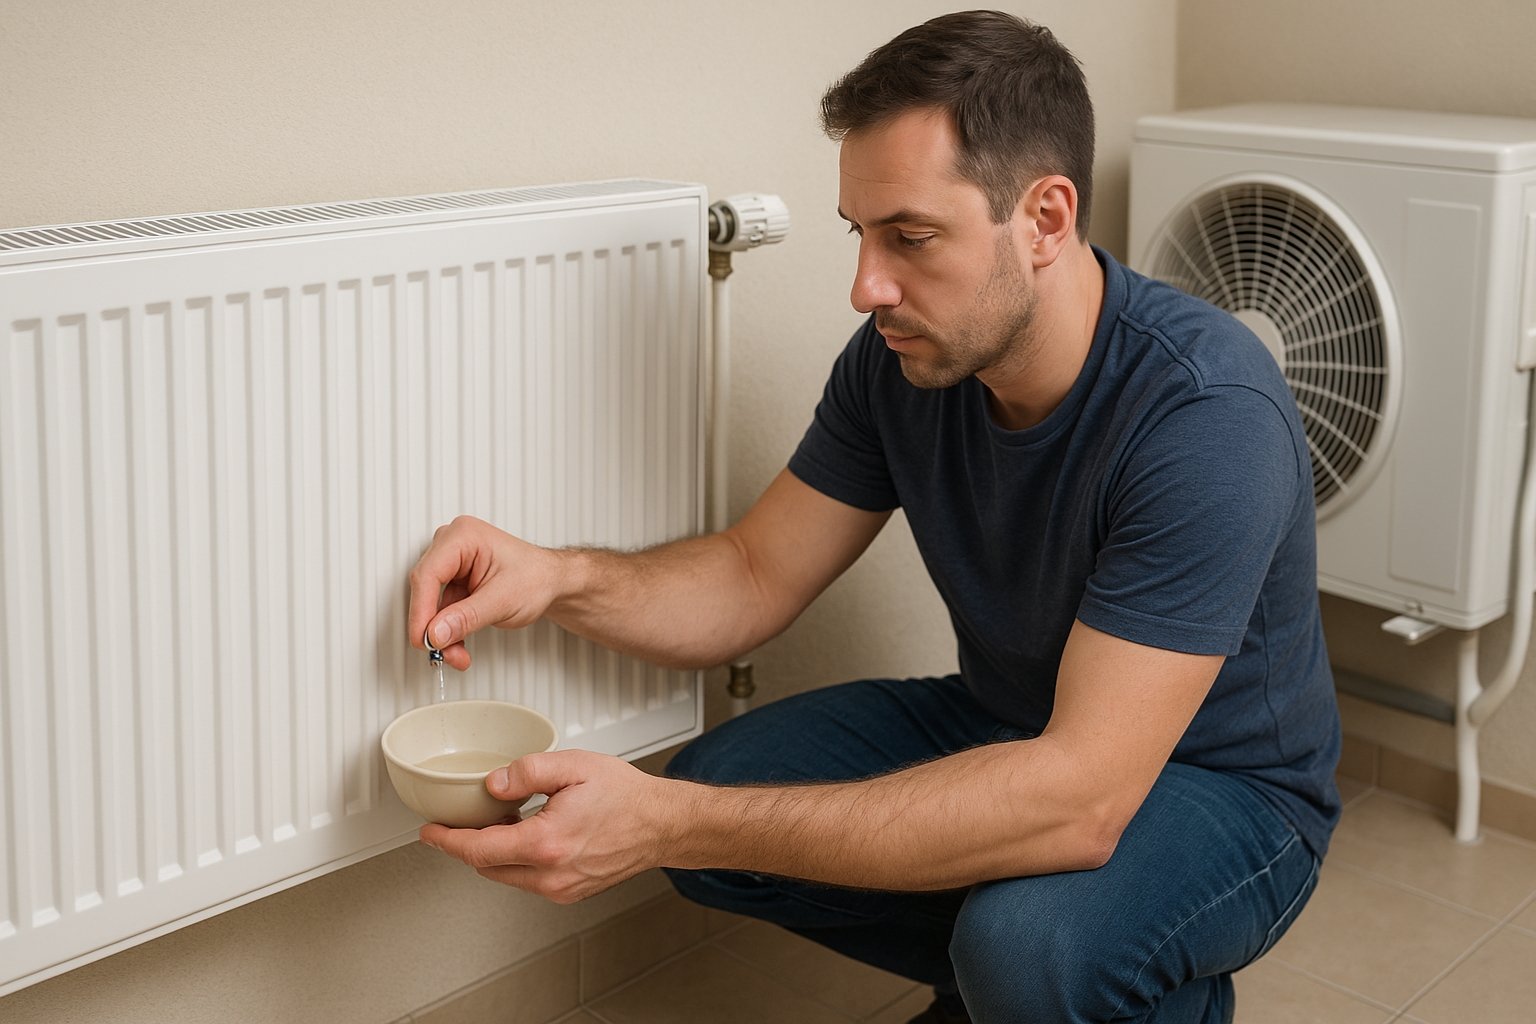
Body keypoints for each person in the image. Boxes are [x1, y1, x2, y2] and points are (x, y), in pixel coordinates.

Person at [405, 11, 1340, 1023]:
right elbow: (753, 573)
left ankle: (1067, 979)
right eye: (860, 233)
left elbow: (1079, 795)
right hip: (1014, 720)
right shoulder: (905, 362)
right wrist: (557, 578)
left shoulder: (1205, 414)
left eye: (911, 237)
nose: (866, 286)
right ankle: (1022, 991)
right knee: (728, 780)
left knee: (1026, 939)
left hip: (1224, 790)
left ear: (1046, 219)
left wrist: (670, 823)